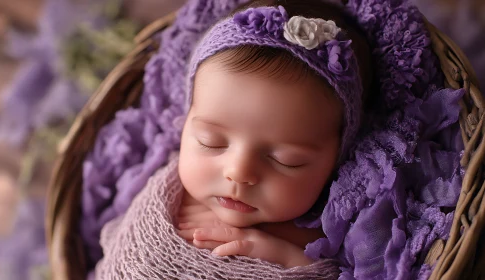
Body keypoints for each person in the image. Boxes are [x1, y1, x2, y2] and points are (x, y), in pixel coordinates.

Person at [95, 0, 372, 278]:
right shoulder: (166, 192)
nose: (238, 172)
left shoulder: (322, 239)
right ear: (185, 123)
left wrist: (286, 257)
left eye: (285, 160)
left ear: (337, 158)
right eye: (210, 141)